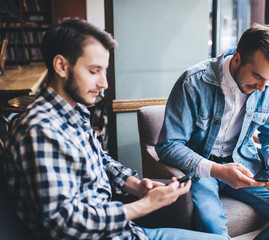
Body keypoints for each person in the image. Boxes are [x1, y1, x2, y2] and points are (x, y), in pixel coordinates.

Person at [2, 18, 228, 240]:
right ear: (61, 66)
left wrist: (136, 186)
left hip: (121, 230)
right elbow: (65, 223)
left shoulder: (74, 110)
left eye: (104, 71)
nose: (104, 83)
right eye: (93, 71)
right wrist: (145, 205)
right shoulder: (40, 131)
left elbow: (98, 158)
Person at [156, 23, 269, 240]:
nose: (263, 87)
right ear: (237, 59)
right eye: (257, 77)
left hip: (246, 163)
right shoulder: (192, 82)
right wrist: (218, 170)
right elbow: (168, 145)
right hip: (203, 169)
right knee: (213, 230)